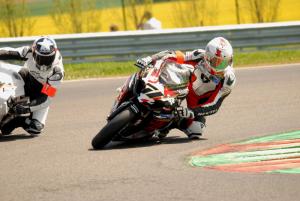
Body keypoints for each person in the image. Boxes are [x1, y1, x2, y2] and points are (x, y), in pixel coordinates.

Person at [136, 37, 236, 139]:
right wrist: (149, 58)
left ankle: (170, 123)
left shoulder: (228, 79)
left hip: (197, 103)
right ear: (208, 57)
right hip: (182, 85)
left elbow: (215, 105)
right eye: (217, 62)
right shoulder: (199, 55)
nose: (222, 66)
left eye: (225, 62)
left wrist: (192, 112)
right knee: (162, 98)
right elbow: (174, 54)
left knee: (196, 130)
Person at [0, 36, 64, 135]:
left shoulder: (57, 72)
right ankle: (10, 104)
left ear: (54, 54)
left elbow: (47, 98)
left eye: (47, 59)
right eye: (40, 58)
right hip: (26, 78)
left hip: (41, 93)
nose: (43, 64)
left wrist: (27, 107)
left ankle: (16, 118)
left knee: (35, 127)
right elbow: (8, 52)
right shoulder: (28, 51)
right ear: (34, 52)